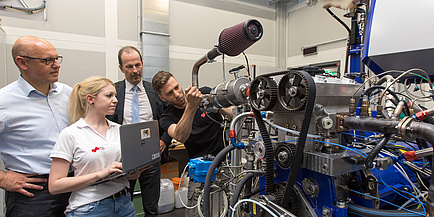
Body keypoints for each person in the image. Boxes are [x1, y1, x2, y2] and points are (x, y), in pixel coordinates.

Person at [49, 76, 142, 217]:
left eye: (115, 95)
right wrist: (100, 174)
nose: (115, 100)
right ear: (90, 99)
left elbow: (129, 175)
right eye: (109, 96)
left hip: (124, 203)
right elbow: (55, 185)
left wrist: (136, 170)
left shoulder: (119, 130)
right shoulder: (71, 134)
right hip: (90, 208)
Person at [0, 36, 71, 216]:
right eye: (47, 60)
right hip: (33, 193)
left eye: (57, 59)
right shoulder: (4, 101)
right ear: (22, 63)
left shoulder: (67, 93)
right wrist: (3, 179)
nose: (56, 65)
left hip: (72, 184)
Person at [152, 71, 232, 217]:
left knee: (230, 209)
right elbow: (180, 136)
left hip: (225, 166)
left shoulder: (205, 93)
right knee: (195, 212)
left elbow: (233, 115)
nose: (176, 94)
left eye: (176, 87)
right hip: (199, 172)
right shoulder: (166, 117)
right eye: (170, 93)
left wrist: (215, 102)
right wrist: (191, 106)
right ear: (162, 97)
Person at [106, 46, 171, 216]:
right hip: (123, 158)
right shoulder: (113, 91)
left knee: (151, 207)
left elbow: (168, 118)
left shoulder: (155, 92)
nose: (134, 71)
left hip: (151, 158)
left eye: (137, 65)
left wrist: (164, 139)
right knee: (122, 205)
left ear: (142, 64)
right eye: (129, 67)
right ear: (121, 68)